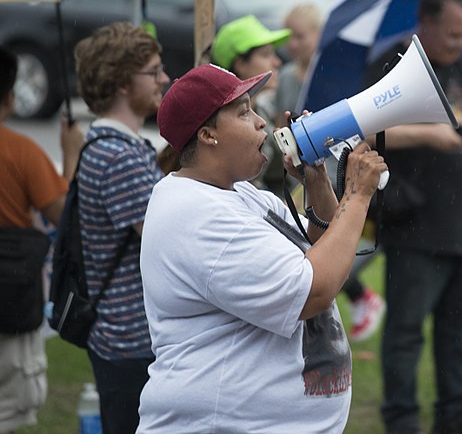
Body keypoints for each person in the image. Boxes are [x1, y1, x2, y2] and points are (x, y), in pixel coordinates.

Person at [136, 64, 386, 432]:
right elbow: (312, 292)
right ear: (207, 135)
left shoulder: (244, 196)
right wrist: (358, 194)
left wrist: (316, 178)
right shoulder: (196, 214)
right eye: (244, 112)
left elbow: (329, 255)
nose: (262, 124)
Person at [365, 0, 462, 434]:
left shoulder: (461, 66)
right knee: (406, 333)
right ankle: (402, 420)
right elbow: (366, 133)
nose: (459, 44)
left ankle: (456, 414)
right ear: (424, 23)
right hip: (415, 225)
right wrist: (427, 135)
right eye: (451, 35)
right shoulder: (394, 65)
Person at [73, 22, 169, 434]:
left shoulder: (110, 144)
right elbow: (164, 242)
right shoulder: (120, 157)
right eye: (153, 71)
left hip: (117, 336)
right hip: (132, 341)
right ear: (123, 83)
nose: (164, 78)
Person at [279, 3, 386, 343]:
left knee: (333, 243)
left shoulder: (333, 73)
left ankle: (355, 298)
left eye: (300, 36)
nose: (292, 44)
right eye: (289, 37)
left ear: (319, 36)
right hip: (307, 174)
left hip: (336, 173)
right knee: (314, 246)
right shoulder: (286, 78)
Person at [0, 47, 82, 434]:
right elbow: (61, 214)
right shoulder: (20, 151)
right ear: (10, 99)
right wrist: (69, 156)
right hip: (10, 300)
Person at [210, 14, 291, 194]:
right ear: (240, 64)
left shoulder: (262, 109)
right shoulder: (226, 120)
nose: (277, 62)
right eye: (265, 55)